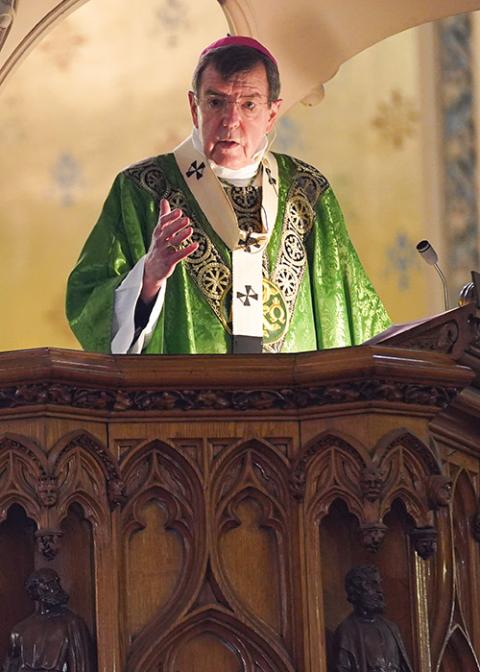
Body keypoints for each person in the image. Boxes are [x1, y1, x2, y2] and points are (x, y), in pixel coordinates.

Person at [66, 36, 390, 355]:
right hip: (185, 401)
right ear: (195, 108)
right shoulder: (142, 190)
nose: (231, 121)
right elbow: (89, 306)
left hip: (294, 403)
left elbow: (357, 316)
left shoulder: (307, 193)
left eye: (248, 104)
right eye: (216, 102)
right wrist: (148, 277)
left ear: (271, 114)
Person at [2, 567, 95, 672]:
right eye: (49, 583)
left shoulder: (72, 623)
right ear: (35, 590)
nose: (55, 588)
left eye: (56, 582)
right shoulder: (19, 630)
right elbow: (9, 667)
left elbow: (81, 666)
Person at [332, 565, 413, 672]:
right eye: (372, 585)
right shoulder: (347, 632)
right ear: (356, 591)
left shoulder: (391, 628)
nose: (380, 591)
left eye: (379, 584)